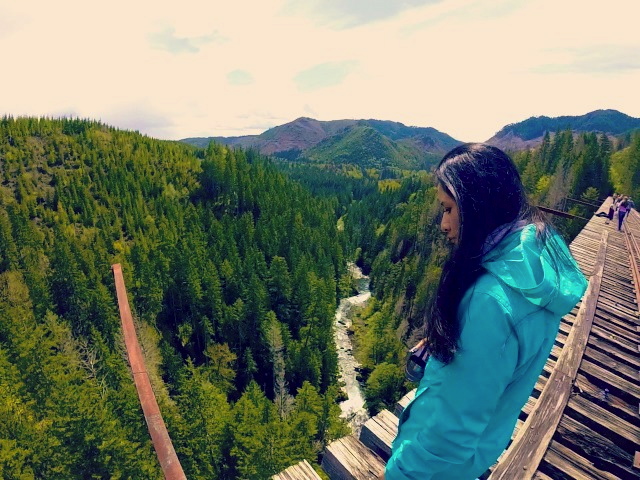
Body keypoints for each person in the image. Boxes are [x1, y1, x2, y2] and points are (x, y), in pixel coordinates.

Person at [383, 143, 587, 480]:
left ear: (477, 207)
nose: (443, 224)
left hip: (435, 469)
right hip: (481, 447)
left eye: (449, 209)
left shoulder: (490, 304)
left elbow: (451, 433)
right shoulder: (532, 268)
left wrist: (401, 474)